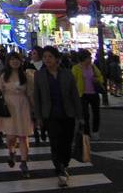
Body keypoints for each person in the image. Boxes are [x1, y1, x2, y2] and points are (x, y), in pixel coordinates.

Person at [33, 46, 82, 187]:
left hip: (68, 114)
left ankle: (64, 164)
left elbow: (74, 95)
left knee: (67, 143)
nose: (47, 59)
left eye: (50, 57)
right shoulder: (39, 75)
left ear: (57, 59)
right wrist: (39, 117)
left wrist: (80, 116)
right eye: (45, 57)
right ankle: (59, 170)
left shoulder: (67, 74)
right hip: (50, 115)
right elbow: (37, 97)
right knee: (55, 143)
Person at [0, 52, 34, 177]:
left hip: (23, 106)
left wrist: (34, 111)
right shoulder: (3, 75)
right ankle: (11, 151)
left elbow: (30, 94)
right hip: (8, 107)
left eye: (17, 59)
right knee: (11, 136)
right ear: (8, 61)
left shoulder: (26, 75)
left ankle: (24, 163)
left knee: (23, 136)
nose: (15, 62)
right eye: (12, 60)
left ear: (21, 61)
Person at [72, 49, 103, 140]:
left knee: (96, 113)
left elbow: (100, 76)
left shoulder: (92, 67)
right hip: (83, 94)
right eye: (88, 58)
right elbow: (73, 81)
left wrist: (98, 80)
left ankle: (95, 131)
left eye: (90, 57)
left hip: (94, 93)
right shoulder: (76, 68)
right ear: (83, 58)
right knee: (85, 115)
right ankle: (86, 133)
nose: (90, 59)